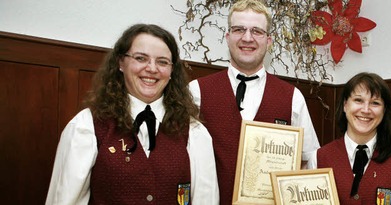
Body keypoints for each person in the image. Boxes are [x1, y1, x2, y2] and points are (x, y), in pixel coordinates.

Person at [45, 24, 219, 204]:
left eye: (162, 61)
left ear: (172, 71)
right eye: (141, 58)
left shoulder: (194, 132)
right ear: (121, 62)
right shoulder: (86, 126)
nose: (152, 68)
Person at [188, 0, 321, 203]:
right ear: (227, 37)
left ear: (269, 41)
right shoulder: (196, 91)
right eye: (239, 29)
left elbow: (310, 161)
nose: (247, 38)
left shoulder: (292, 97)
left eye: (257, 31)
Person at [307, 72, 391, 204]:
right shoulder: (318, 158)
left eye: (375, 103)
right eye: (358, 100)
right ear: (345, 105)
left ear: (384, 110)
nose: (365, 110)